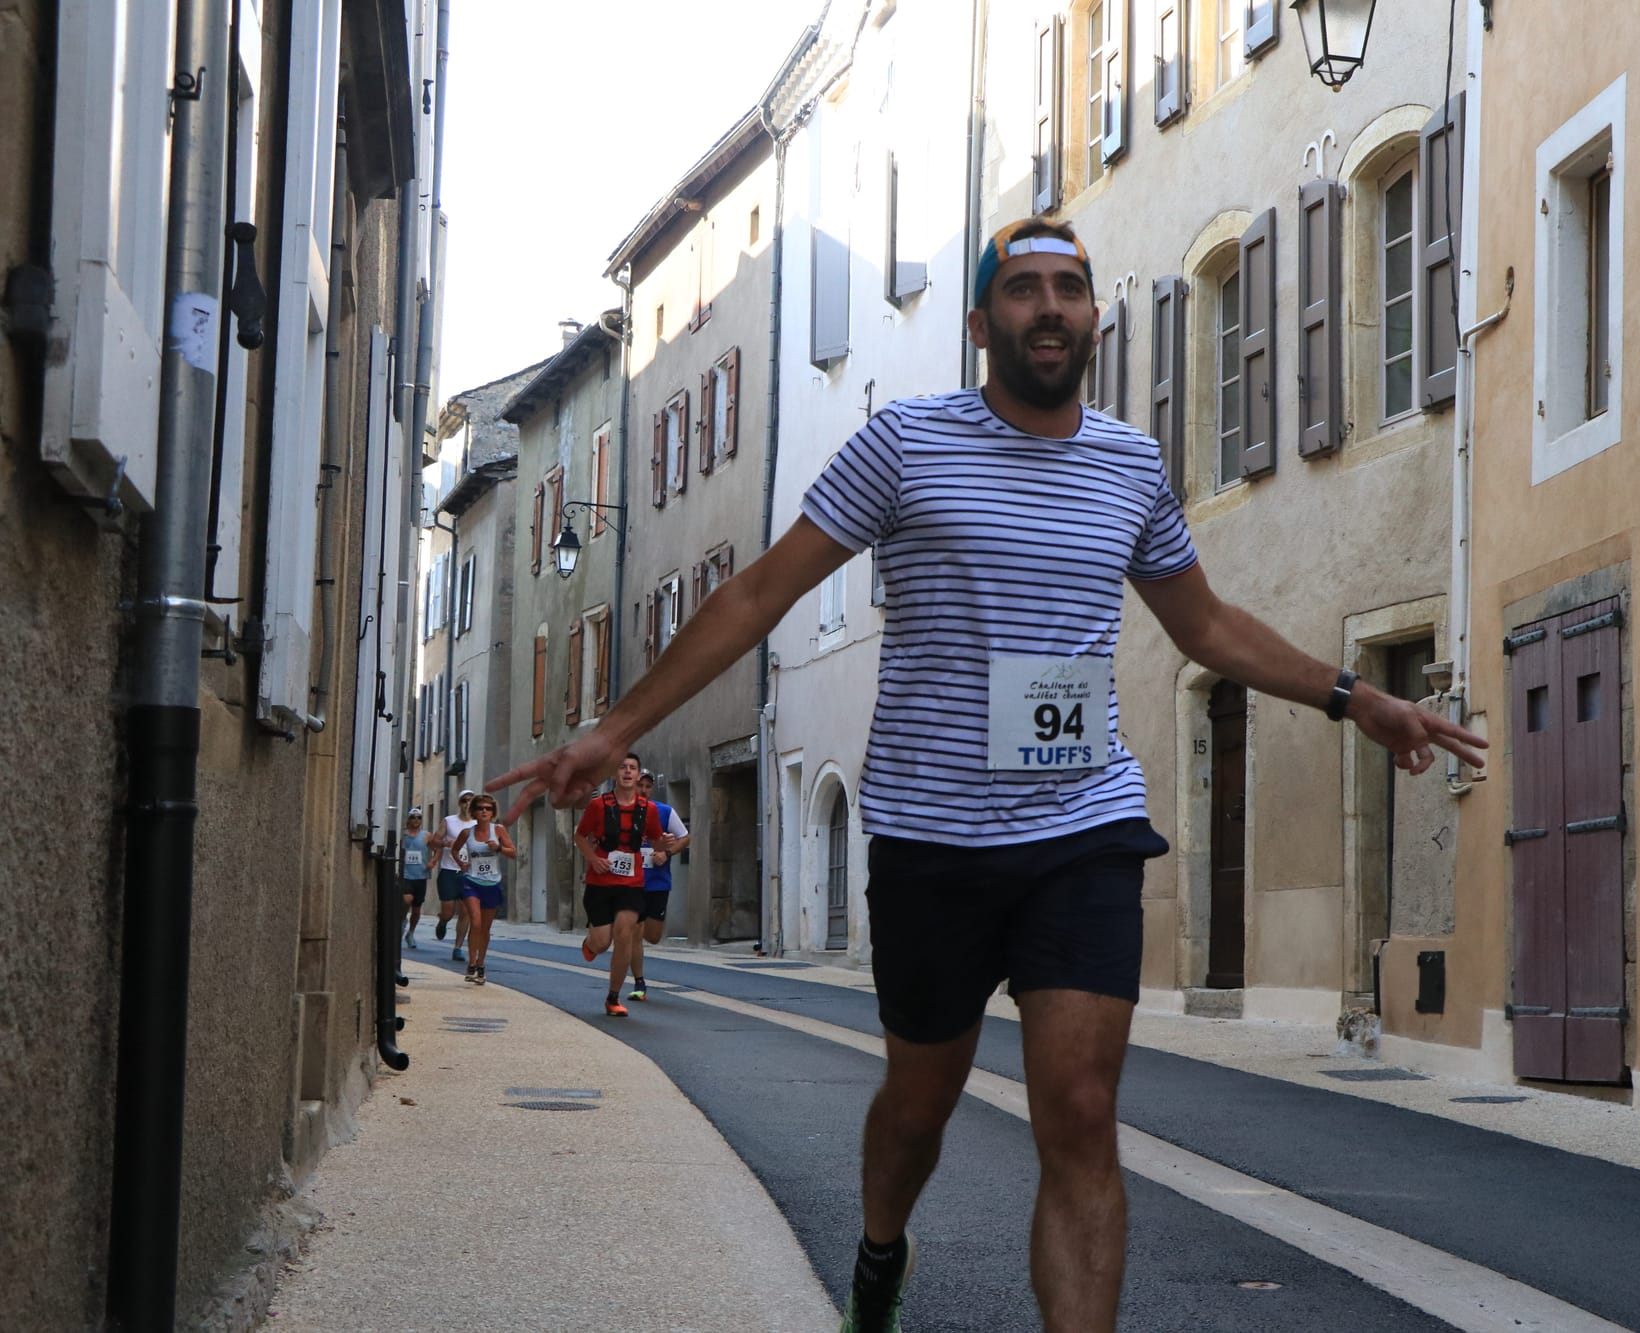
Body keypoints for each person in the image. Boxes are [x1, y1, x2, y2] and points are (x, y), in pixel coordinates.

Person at [493, 218, 1486, 1333]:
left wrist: (1360, 699)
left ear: (1094, 315)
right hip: (932, 837)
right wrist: (610, 728)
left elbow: (1203, 624)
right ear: (980, 324)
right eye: (1022, 290)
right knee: (918, 1108)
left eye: (1068, 288)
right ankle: (878, 1254)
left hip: (1083, 824)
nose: (1049, 307)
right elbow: (757, 595)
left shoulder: (1128, 463)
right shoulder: (904, 446)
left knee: (1080, 1107)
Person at [573, 754, 665, 1016]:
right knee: (603, 943)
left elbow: (656, 841)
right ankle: (590, 944)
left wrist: (664, 847)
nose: (627, 772)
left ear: (638, 776)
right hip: (600, 881)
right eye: (622, 767)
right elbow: (580, 836)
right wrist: (593, 859)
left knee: (625, 933)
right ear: (615, 774)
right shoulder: (599, 806)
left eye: (632, 768)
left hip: (631, 883)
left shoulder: (649, 809)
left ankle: (613, 997)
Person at [630, 771, 692, 1002]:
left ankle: (634, 930)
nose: (643, 790)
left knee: (653, 936)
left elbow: (685, 837)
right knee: (634, 932)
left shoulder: (664, 812)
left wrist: (666, 854)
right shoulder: (623, 812)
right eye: (640, 785)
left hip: (657, 882)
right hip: (631, 883)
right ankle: (639, 982)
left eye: (648, 786)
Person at [449, 792, 515, 984]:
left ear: (493, 812)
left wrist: (499, 848)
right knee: (475, 922)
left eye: (488, 808)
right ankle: (471, 963)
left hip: (492, 883)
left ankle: (480, 963)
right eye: (480, 808)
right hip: (471, 881)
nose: (484, 811)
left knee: (485, 928)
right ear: (474, 812)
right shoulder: (467, 833)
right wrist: (462, 865)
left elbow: (513, 852)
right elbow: (454, 849)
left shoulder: (499, 830)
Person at [429, 789, 475, 961]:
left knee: (465, 911)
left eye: (471, 800)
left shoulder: (478, 823)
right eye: (464, 800)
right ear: (459, 803)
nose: (467, 803)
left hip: (468, 872)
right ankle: (443, 921)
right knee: (448, 911)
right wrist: (446, 843)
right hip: (449, 870)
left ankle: (457, 947)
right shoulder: (449, 821)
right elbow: (433, 841)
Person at [399, 808, 436, 948]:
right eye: (413, 817)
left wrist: (433, 861)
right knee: (407, 899)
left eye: (419, 817)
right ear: (408, 819)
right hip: (406, 875)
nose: (416, 820)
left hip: (420, 875)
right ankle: (402, 921)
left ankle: (411, 933)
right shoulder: (403, 836)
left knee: (416, 909)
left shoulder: (426, 835)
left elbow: (437, 849)